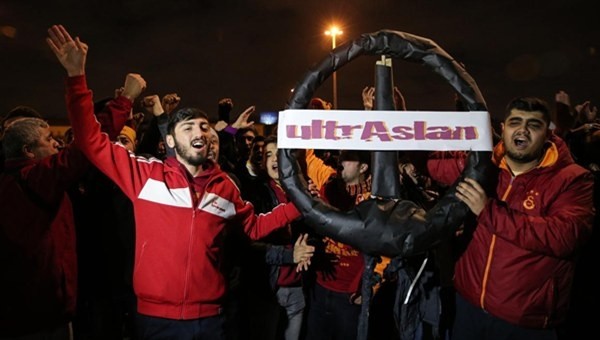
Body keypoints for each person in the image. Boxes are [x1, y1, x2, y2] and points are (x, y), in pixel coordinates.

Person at [47, 24, 302, 339]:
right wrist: (76, 76)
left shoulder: (226, 187)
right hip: (156, 322)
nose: (200, 132)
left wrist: (302, 204)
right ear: (170, 139)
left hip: (213, 320)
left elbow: (254, 227)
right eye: (189, 127)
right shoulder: (145, 175)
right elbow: (89, 139)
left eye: (205, 127)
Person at [452, 97, 595, 340]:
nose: (522, 129)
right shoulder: (485, 165)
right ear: (503, 129)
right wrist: (393, 116)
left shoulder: (572, 179)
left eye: (534, 124)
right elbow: (429, 163)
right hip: (468, 308)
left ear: (547, 134)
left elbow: (564, 236)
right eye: (515, 122)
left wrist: (488, 211)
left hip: (525, 323)